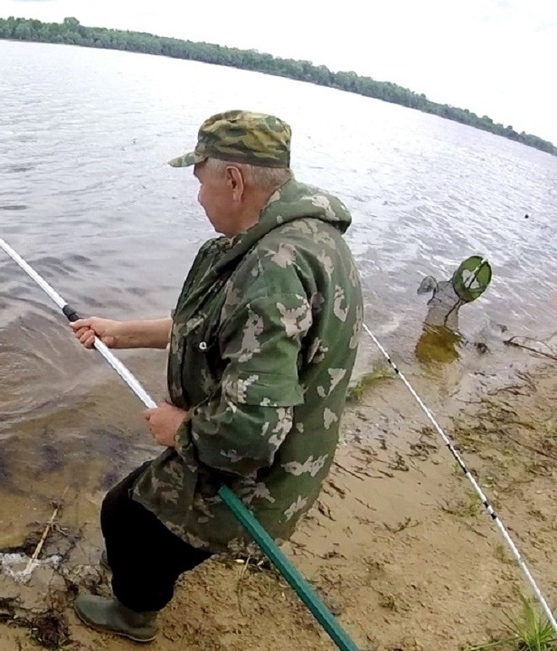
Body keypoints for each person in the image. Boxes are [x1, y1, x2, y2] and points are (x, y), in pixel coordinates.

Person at [69, 110, 364, 643]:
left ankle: (135, 616)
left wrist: (180, 430)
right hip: (286, 450)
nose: (199, 197)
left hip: (261, 474)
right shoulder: (307, 237)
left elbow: (251, 431)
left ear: (234, 180)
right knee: (140, 508)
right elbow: (215, 328)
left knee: (127, 516)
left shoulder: (274, 267)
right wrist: (120, 332)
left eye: (201, 181)